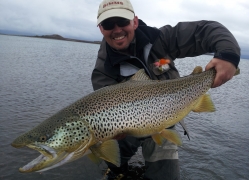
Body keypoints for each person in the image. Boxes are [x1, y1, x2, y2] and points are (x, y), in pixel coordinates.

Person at [91, 0, 240, 179]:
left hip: (166, 118)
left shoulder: (160, 39)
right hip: (127, 127)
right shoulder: (103, 71)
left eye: (122, 22)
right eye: (108, 24)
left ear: (135, 22)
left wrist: (228, 55)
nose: (117, 30)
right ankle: (117, 170)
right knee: (103, 149)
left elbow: (206, 29)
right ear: (101, 28)